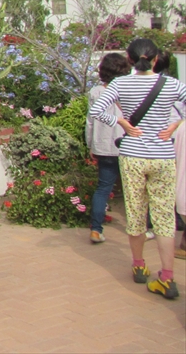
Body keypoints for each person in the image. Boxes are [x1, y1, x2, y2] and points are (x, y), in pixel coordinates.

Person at [89, 38, 186, 300]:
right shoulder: (171, 84)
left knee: (135, 212)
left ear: (130, 59)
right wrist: (176, 125)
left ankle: (139, 265)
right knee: (164, 218)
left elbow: (96, 110)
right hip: (163, 156)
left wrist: (121, 121)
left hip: (133, 154)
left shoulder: (120, 84)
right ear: (155, 59)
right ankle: (167, 277)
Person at [85, 52, 131, 243]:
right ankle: (141, 228)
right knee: (134, 189)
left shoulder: (96, 92)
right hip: (128, 145)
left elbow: (90, 121)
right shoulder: (130, 91)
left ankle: (96, 229)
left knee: (103, 187)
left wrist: (90, 144)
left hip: (103, 145)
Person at [152, 52, 186, 260]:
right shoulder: (176, 85)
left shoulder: (143, 85)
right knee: (177, 181)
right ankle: (177, 220)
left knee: (161, 183)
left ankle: (162, 221)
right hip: (176, 137)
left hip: (158, 141)